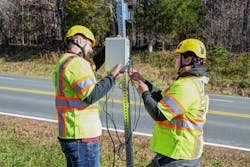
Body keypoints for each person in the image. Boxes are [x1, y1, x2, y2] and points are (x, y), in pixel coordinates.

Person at [129, 38, 209, 167]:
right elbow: (161, 97)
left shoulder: (185, 86)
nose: (174, 60)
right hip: (177, 154)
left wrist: (144, 93)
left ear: (188, 59)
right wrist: (142, 80)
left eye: (178, 57)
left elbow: (159, 113)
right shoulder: (191, 82)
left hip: (179, 156)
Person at [52, 25, 122, 167]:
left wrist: (109, 47)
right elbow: (91, 95)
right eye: (90, 45)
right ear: (79, 40)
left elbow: (92, 65)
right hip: (82, 136)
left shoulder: (66, 61)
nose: (91, 50)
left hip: (72, 134)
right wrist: (112, 77)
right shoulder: (76, 63)